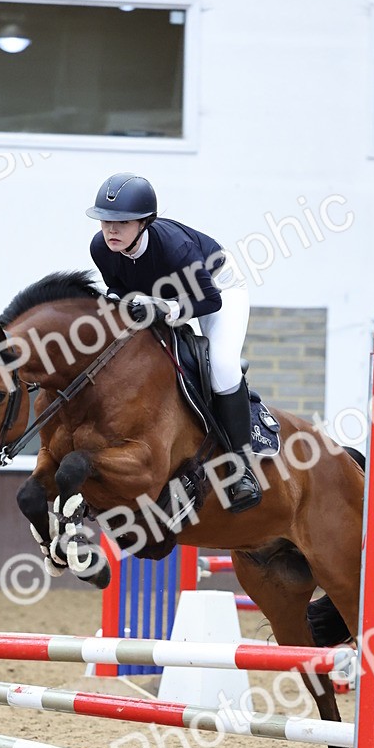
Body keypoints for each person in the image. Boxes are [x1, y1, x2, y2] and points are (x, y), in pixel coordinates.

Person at [86, 172, 262, 513]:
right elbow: (119, 289)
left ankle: (242, 470)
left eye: (122, 223)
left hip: (217, 290)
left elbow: (211, 300)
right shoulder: (100, 248)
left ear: (144, 223)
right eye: (106, 221)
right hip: (163, 297)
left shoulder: (173, 247)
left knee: (222, 367)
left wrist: (167, 308)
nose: (111, 230)